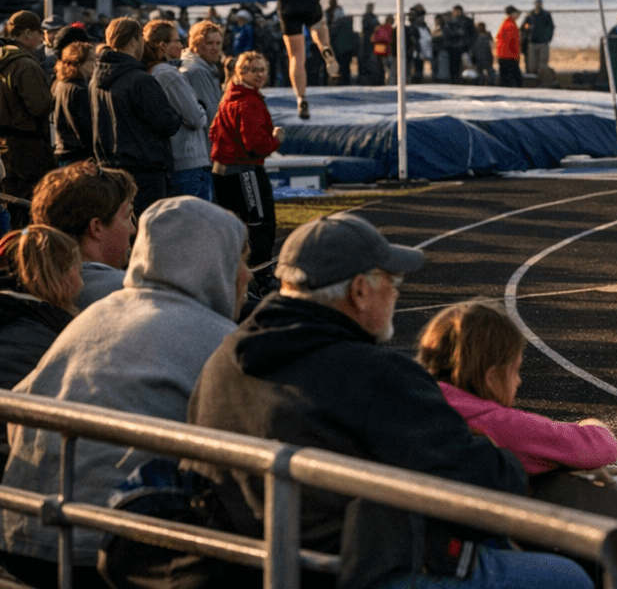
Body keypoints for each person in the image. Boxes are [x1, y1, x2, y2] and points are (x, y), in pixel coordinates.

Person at [187, 214, 591, 589]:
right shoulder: (373, 375)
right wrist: (491, 445)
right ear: (360, 291)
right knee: (567, 577)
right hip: (346, 571)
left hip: (248, 565)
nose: (396, 296)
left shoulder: (224, 359)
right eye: (392, 284)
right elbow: (489, 489)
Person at [1, 198, 249, 584]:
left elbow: (22, 404)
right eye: (241, 261)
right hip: (108, 549)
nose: (248, 276)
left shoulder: (97, 314)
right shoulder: (220, 341)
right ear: (217, 265)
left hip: (22, 532)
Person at [419, 302, 617, 476]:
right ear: (492, 378)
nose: (518, 382)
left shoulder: (411, 400)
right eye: (515, 371)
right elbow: (598, 446)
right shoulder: (499, 425)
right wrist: (592, 424)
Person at [91, 18, 181, 217]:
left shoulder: (95, 80)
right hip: (145, 169)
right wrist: (179, 115)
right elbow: (166, 122)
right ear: (133, 41)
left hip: (110, 168)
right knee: (149, 230)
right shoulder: (140, 79)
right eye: (140, 38)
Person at [210, 51, 283, 272]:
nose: (259, 75)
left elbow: (213, 132)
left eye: (262, 70)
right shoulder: (248, 102)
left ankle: (237, 272)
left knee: (232, 226)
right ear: (241, 72)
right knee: (259, 223)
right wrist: (275, 140)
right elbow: (255, 145)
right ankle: (259, 275)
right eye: (253, 70)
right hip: (244, 171)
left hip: (223, 171)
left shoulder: (229, 96)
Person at [30, 161, 137, 308]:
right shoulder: (128, 292)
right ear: (96, 228)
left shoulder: (31, 286)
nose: (133, 229)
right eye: (127, 216)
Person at [0, 225, 80, 390]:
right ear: (62, 278)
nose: (82, 282)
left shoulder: (12, 310)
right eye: (78, 271)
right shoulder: (43, 336)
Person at [144, 20, 212, 202]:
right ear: (163, 45)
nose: (182, 46)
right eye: (176, 41)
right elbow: (196, 119)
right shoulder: (169, 74)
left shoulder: (150, 73)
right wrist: (201, 108)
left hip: (170, 161)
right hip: (188, 161)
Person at [0, 10, 57, 226]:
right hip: (29, 147)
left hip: (5, 148)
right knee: (35, 205)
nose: (42, 38)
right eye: (38, 33)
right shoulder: (25, 65)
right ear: (26, 34)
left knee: (11, 204)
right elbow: (41, 106)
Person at [51, 42, 96, 166]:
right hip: (79, 156)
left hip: (62, 150)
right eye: (92, 60)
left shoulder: (59, 83)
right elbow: (87, 128)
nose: (95, 64)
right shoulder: (80, 90)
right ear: (79, 63)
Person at [180, 19, 225, 126]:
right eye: (209, 43)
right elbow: (212, 113)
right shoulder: (197, 71)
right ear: (196, 44)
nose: (215, 48)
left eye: (218, 43)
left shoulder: (205, 66)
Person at [522, 0, 555, 83]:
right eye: (537, 3)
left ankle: (543, 81)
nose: (538, 5)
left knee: (543, 64)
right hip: (532, 42)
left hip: (543, 42)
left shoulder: (546, 14)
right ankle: (533, 81)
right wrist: (527, 34)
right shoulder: (529, 15)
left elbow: (551, 27)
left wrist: (548, 38)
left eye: (539, 3)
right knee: (531, 65)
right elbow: (523, 27)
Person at [495, 5, 523, 88]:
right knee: (515, 77)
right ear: (512, 14)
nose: (518, 16)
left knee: (504, 77)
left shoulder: (504, 24)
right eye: (517, 14)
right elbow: (513, 42)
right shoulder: (511, 25)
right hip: (509, 56)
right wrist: (516, 55)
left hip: (502, 54)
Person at [330, 11, 360, 85]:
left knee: (339, 67)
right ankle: (345, 82)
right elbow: (354, 38)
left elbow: (332, 35)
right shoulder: (349, 26)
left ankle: (338, 82)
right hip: (348, 50)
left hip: (338, 50)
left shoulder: (337, 24)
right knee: (346, 67)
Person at [372, 13, 397, 84]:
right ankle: (390, 85)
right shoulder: (391, 29)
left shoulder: (379, 28)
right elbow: (391, 40)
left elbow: (373, 39)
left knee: (383, 69)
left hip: (380, 51)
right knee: (391, 71)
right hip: (389, 52)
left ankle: (384, 83)